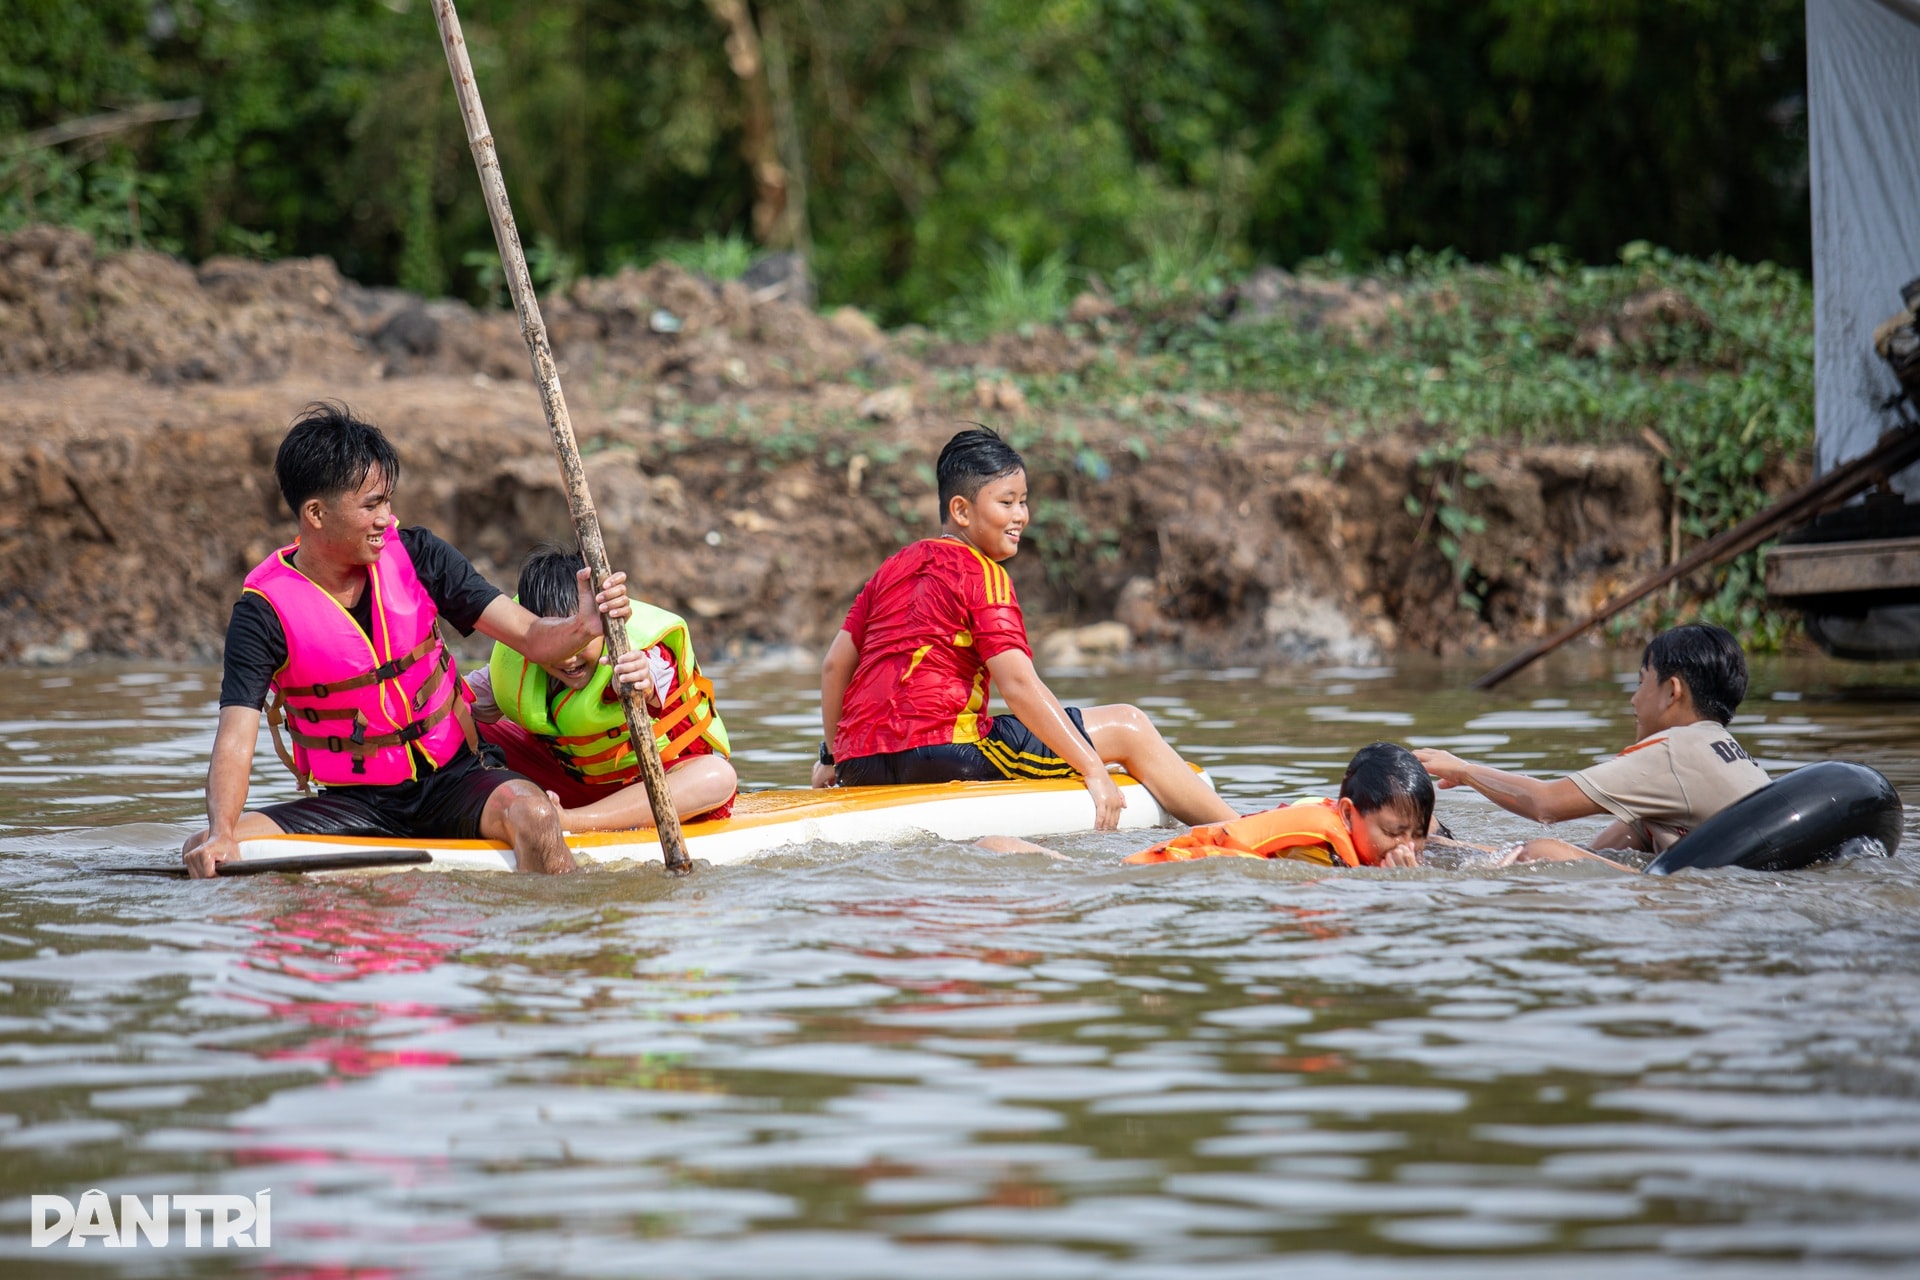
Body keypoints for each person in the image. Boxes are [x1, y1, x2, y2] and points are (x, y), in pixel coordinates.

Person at [183, 402, 651, 879]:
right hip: (353, 804)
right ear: (316, 514)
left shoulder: (421, 556)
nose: (389, 517)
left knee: (533, 814)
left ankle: (562, 933)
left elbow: (531, 635)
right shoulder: (262, 611)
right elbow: (236, 735)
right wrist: (222, 830)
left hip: (458, 779)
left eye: (387, 501)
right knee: (206, 846)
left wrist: (584, 627)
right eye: (371, 505)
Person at [812, 427, 1235, 831]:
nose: (1020, 517)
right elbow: (1018, 684)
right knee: (1129, 726)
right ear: (961, 510)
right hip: (944, 754)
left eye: (1023, 502)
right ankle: (1242, 831)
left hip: (860, 764)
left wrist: (832, 757)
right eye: (1007, 502)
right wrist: (1092, 768)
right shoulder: (982, 574)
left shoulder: (891, 568)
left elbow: (834, 667)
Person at [1414, 623, 1771, 867]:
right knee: (1632, 830)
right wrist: (1448, 845)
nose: (1633, 700)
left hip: (1708, 898)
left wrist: (1462, 770)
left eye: (1641, 682)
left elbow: (1545, 805)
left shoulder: (1674, 751)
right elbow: (1592, 852)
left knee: (1541, 854)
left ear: (1672, 692)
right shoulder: (1730, 752)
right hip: (1748, 884)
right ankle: (1444, 848)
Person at [465, 547, 738, 832]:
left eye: (580, 636)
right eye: (559, 640)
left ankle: (572, 822)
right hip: (568, 787)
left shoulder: (640, 652)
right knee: (454, 726)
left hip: (650, 789)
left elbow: (651, 678)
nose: (568, 658)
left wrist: (637, 683)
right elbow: (456, 698)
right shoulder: (519, 656)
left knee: (717, 776)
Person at [1119, 742, 1433, 867]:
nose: (1407, 846)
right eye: (1394, 832)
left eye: (1416, 834)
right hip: (1157, 868)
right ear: (1348, 815)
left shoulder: (1359, 835)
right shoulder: (1316, 851)